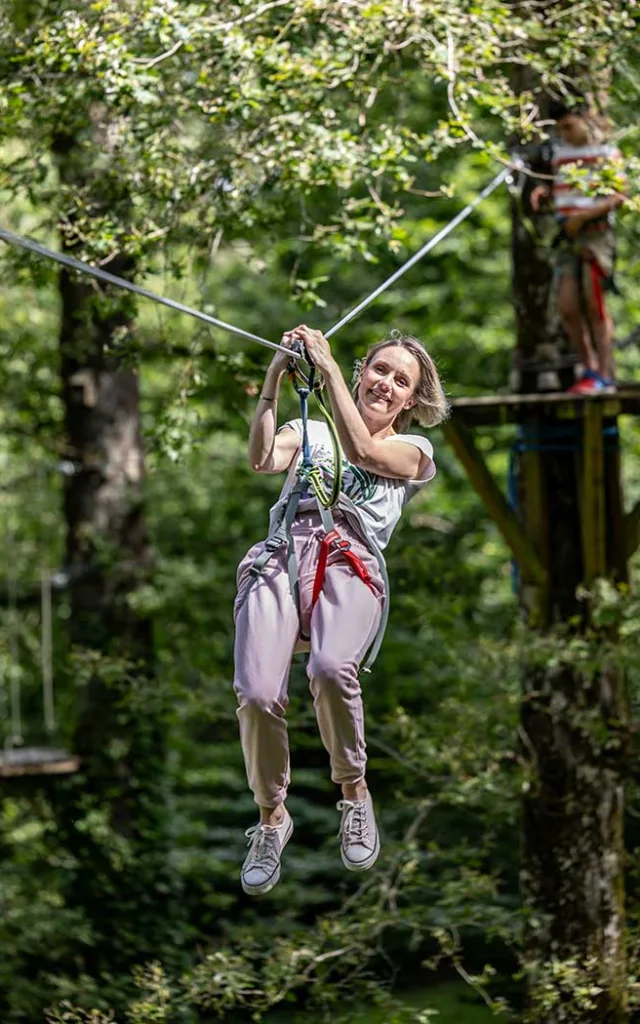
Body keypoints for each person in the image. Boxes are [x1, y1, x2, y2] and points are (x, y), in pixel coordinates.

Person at [233, 325, 448, 895]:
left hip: (351, 560)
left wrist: (326, 369)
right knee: (256, 693)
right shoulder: (310, 427)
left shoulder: (415, 450)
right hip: (283, 552)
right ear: (362, 371)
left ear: (411, 400)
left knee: (330, 668)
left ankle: (353, 792)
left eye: (401, 381)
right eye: (381, 370)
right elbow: (260, 459)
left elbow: (365, 451)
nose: (387, 384)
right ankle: (271, 817)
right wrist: (276, 378)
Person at [530, 100, 625, 393]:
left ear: (585, 120)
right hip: (566, 240)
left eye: (569, 126)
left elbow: (619, 195)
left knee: (594, 305)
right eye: (560, 129)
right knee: (568, 307)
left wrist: (584, 216)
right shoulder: (560, 154)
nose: (565, 133)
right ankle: (589, 369)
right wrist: (545, 193)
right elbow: (562, 188)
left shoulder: (606, 153)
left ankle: (604, 375)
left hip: (595, 237)